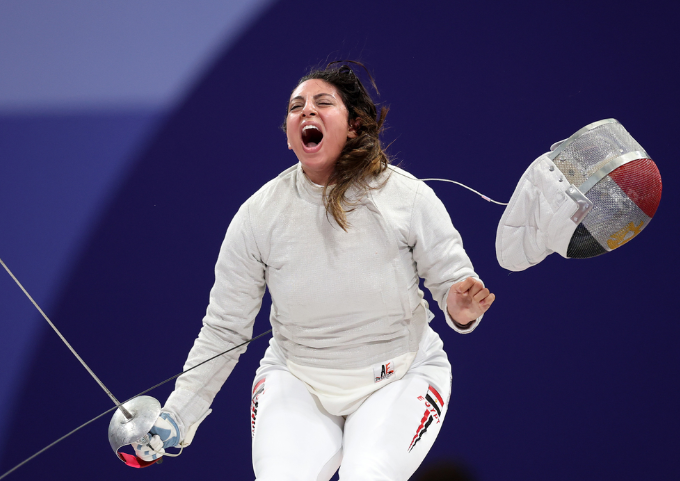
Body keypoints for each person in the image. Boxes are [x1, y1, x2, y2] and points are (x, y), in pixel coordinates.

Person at [132, 61, 495, 481]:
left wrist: (461, 309)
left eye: (323, 103)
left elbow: (455, 284)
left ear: (355, 125)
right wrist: (180, 412)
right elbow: (225, 329)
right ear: (289, 137)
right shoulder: (258, 217)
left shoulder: (407, 197)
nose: (306, 112)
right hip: (297, 380)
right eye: (296, 107)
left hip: (400, 375)